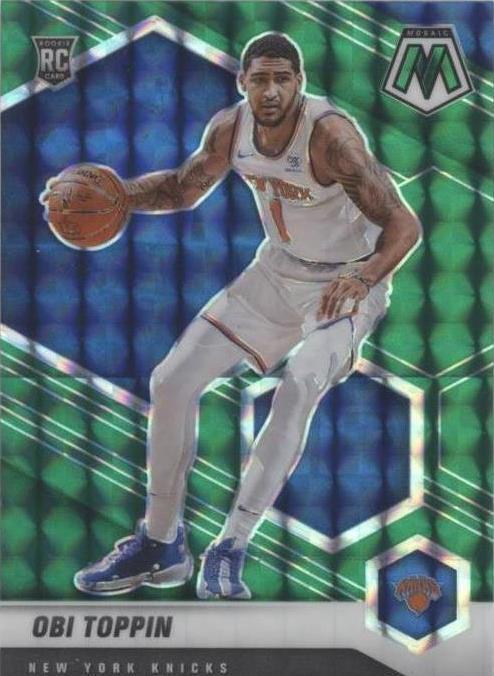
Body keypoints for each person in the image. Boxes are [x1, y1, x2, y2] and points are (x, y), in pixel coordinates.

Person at [71, 32, 421, 599]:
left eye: (283, 79)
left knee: (299, 383)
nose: (272, 90)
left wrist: (362, 278)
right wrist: (121, 196)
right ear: (243, 84)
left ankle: (230, 546)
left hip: (346, 283)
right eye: (261, 79)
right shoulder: (229, 130)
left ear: (300, 83)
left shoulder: (332, 138)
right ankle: (160, 543)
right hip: (275, 272)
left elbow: (404, 225)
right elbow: (182, 190)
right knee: (171, 379)